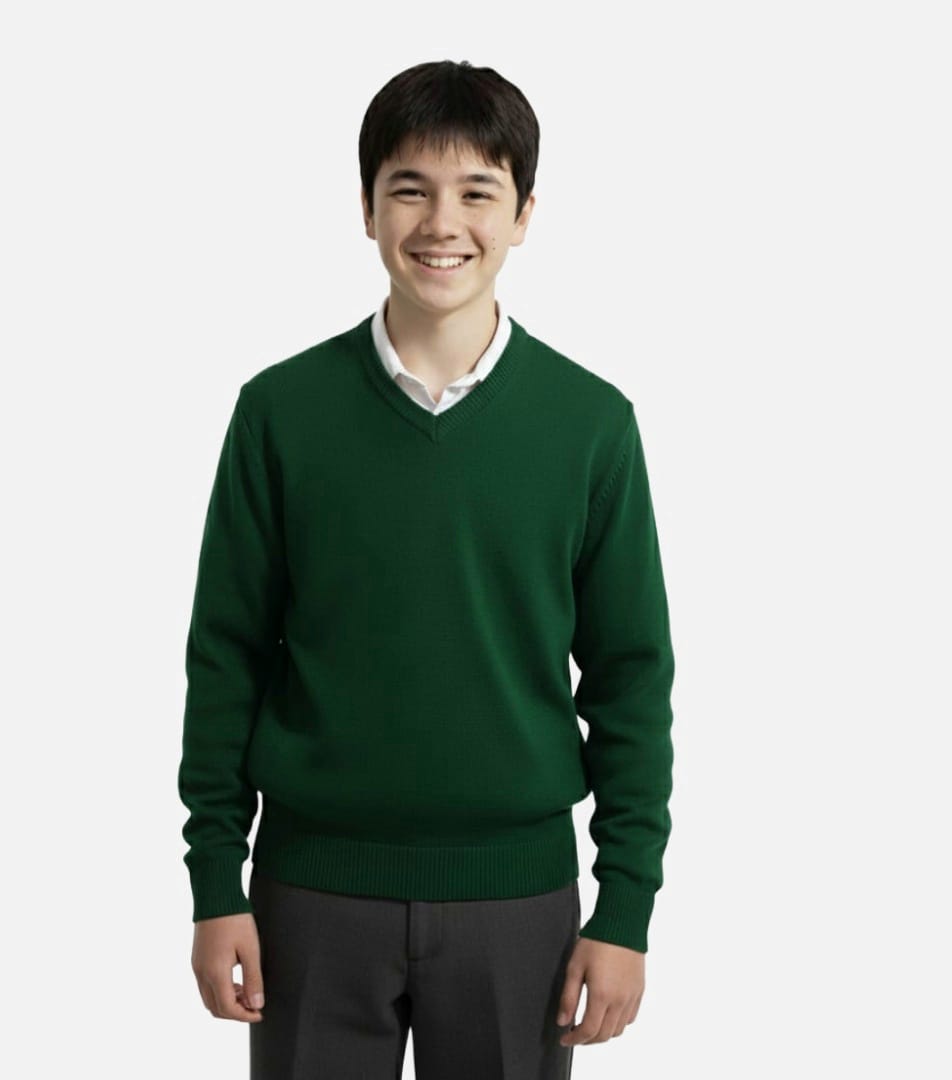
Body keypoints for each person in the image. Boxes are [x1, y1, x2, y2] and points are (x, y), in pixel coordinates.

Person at [178, 58, 675, 1079]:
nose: (442, 223)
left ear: (524, 214)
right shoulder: (279, 413)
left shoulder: (591, 426)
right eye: (410, 189)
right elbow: (226, 658)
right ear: (366, 207)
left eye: (477, 193)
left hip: (518, 904)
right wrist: (216, 882)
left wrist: (625, 907)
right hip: (310, 899)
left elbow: (631, 679)